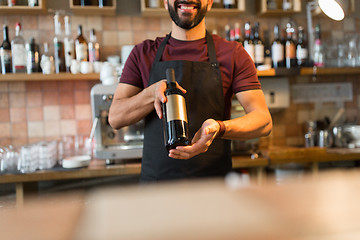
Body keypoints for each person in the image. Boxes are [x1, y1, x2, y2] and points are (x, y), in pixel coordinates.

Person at [109, 0, 272, 182]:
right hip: (156, 191)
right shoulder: (142, 53)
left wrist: (219, 128)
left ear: (209, 3)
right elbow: (115, 118)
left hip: (213, 188)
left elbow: (263, 121)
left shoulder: (233, 53)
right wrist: (151, 93)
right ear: (165, 2)